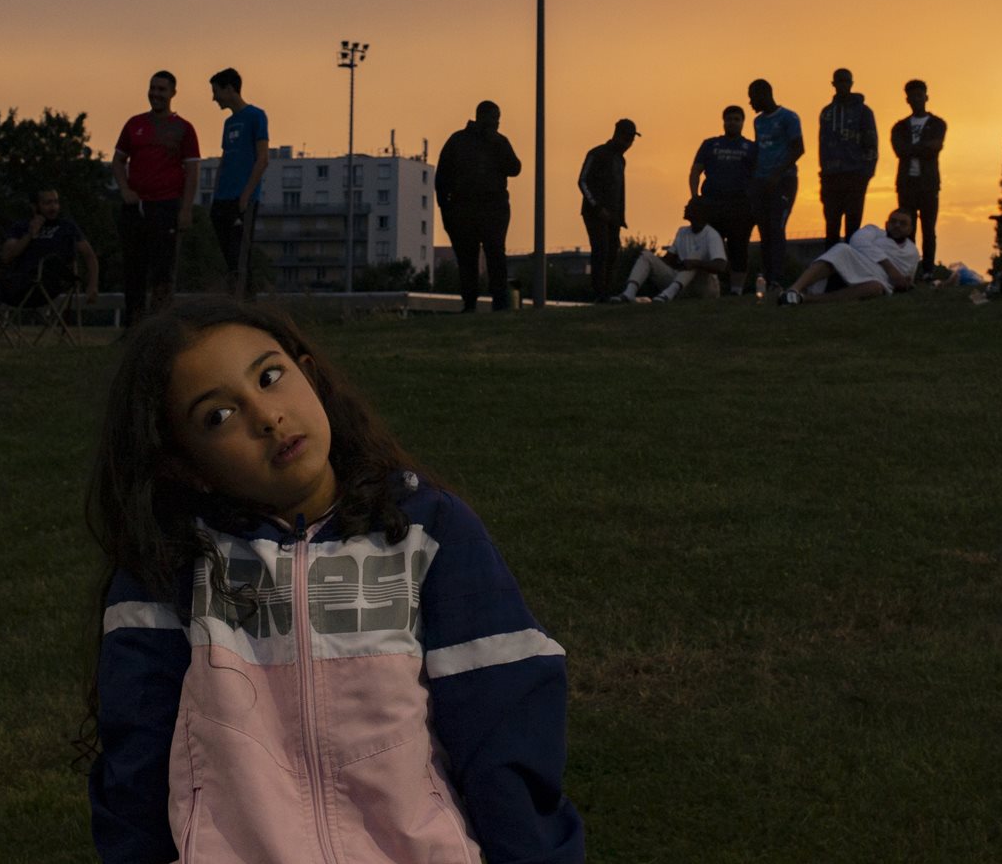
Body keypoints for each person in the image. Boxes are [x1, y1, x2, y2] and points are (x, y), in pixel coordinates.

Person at [84, 297, 584, 864]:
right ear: (186, 467)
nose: (267, 416)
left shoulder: (428, 530)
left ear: (311, 377)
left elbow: (504, 728)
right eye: (218, 416)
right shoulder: (170, 567)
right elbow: (136, 758)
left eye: (270, 377)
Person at [0, 188, 101, 348]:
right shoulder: (21, 227)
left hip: (48, 284)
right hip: (16, 284)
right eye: (47, 203)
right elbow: (7, 257)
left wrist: (92, 285)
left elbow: (89, 256)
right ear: (34, 207)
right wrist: (30, 234)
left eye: (56, 202)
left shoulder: (66, 227)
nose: (53, 207)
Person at [113, 70, 201, 327]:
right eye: (152, 88)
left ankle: (159, 327)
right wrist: (124, 189)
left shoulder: (184, 129)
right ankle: (133, 326)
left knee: (163, 270)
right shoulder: (134, 124)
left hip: (166, 205)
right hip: (135, 206)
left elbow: (192, 171)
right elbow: (118, 161)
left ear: (173, 93)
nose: (156, 94)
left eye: (162, 89)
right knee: (133, 268)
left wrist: (186, 210)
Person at [435, 101, 523, 313]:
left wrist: (498, 145)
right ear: (482, 117)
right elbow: (442, 177)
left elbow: (515, 168)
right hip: (463, 210)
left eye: (498, 117)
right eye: (494, 117)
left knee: (495, 254)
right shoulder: (458, 141)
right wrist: (446, 209)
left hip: (494, 208)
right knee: (467, 257)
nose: (497, 122)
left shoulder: (499, 142)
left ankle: (499, 302)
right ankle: (470, 303)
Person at [207, 67, 271, 294]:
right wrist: (216, 193)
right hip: (222, 199)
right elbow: (225, 157)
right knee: (228, 259)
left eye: (216, 92)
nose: (214, 98)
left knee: (240, 258)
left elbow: (263, 159)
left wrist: (245, 196)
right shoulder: (228, 123)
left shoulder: (256, 116)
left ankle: (248, 305)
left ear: (230, 89)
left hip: (242, 201)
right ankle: (235, 300)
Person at [780, 209, 921, 306]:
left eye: (902, 223)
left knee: (875, 288)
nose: (897, 226)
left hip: (878, 280)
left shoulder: (912, 252)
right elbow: (857, 240)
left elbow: (906, 278)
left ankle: (807, 299)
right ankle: (794, 289)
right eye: (893, 221)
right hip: (856, 264)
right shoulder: (874, 231)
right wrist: (889, 267)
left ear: (910, 229)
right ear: (886, 223)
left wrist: (903, 282)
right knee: (842, 249)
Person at [689, 105, 756, 296]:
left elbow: (758, 176)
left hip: (740, 205)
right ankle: (710, 289)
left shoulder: (751, 148)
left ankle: (736, 291)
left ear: (743, 122)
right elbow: (695, 171)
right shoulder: (710, 144)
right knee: (711, 247)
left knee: (739, 248)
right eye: (729, 119)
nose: (732, 122)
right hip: (712, 203)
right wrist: (695, 198)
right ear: (723, 121)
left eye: (736, 119)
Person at [747, 79, 805, 296]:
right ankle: (768, 278)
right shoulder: (758, 122)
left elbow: (798, 148)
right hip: (761, 183)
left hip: (784, 181)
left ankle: (778, 279)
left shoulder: (789, 117)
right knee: (764, 231)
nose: (750, 102)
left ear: (764, 94)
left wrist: (777, 174)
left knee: (776, 227)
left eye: (752, 97)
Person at [613, 198, 728, 302]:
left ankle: (668, 294)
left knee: (692, 261)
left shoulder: (711, 235)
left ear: (700, 212)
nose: (685, 207)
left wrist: (695, 263)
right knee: (646, 256)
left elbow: (720, 265)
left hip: (704, 288)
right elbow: (668, 260)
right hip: (682, 285)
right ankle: (629, 293)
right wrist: (654, 263)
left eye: (690, 205)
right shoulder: (682, 232)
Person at [890, 79, 948, 276]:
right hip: (906, 184)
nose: (916, 99)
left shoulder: (938, 124)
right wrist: (922, 149)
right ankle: (910, 268)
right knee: (907, 228)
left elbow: (934, 148)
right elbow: (900, 150)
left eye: (919, 95)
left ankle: (928, 270)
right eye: (912, 96)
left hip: (929, 184)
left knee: (929, 229)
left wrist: (912, 150)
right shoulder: (899, 127)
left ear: (926, 97)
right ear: (907, 99)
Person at [817, 68, 879, 247]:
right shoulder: (827, 113)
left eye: (846, 81)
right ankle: (833, 273)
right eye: (839, 81)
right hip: (831, 177)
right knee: (831, 228)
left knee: (853, 228)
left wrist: (866, 174)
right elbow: (822, 145)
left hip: (855, 175)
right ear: (833, 84)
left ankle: (851, 271)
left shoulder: (863, 111)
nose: (842, 84)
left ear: (851, 83)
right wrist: (824, 174)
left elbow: (871, 143)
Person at [578, 118, 637, 302]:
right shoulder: (597, 154)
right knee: (601, 250)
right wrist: (597, 207)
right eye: (627, 139)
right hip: (595, 214)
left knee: (612, 252)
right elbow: (582, 181)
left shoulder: (620, 160)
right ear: (619, 136)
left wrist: (620, 216)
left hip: (613, 216)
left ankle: (607, 292)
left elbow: (620, 190)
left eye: (631, 141)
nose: (629, 144)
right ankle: (599, 294)